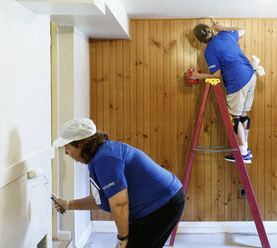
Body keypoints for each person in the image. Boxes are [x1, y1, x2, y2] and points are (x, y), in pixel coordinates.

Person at [52, 118, 185, 248]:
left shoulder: (105, 159)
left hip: (163, 204)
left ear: (80, 145)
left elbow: (119, 203)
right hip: (162, 202)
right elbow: (104, 199)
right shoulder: (99, 156)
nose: (66, 153)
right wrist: (67, 204)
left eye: (67, 147)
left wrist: (122, 239)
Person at [189, 21, 257, 164]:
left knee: (235, 117)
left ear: (200, 40)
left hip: (237, 80)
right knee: (244, 114)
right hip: (251, 75)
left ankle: (243, 152)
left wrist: (197, 76)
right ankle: (245, 149)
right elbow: (242, 29)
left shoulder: (209, 50)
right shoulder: (226, 34)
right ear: (212, 31)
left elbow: (216, 76)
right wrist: (222, 28)